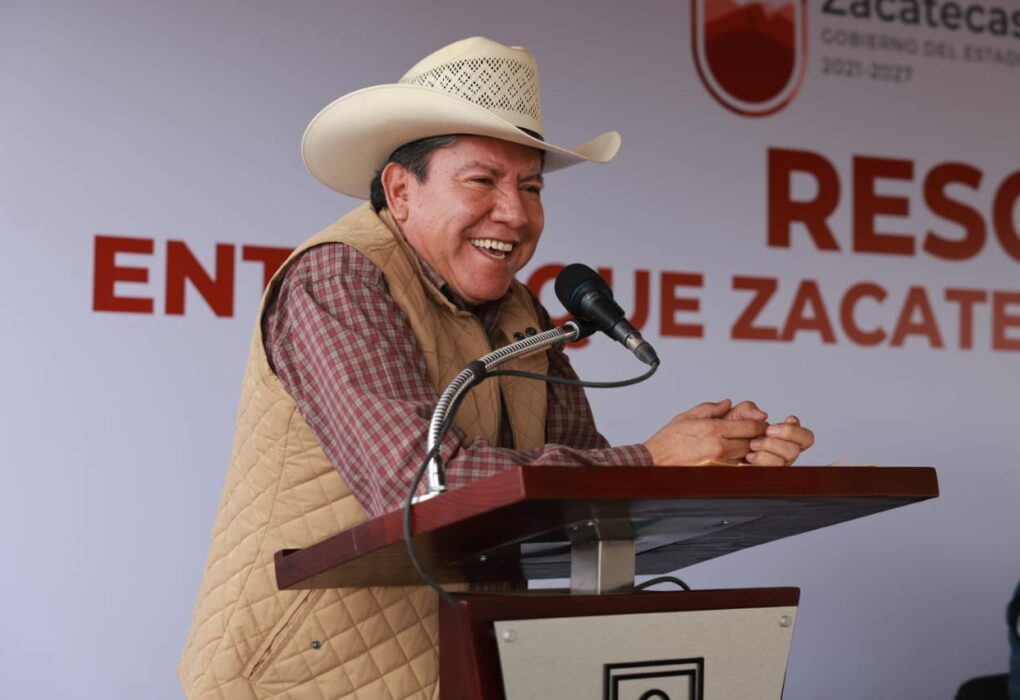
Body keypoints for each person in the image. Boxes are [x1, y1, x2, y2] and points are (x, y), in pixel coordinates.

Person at [178, 36, 814, 699]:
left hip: (474, 665)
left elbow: (584, 480)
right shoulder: (340, 276)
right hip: (310, 676)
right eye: (483, 180)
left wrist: (716, 461)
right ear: (401, 190)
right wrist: (654, 459)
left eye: (531, 186)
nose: (515, 212)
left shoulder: (521, 310)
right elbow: (416, 484)